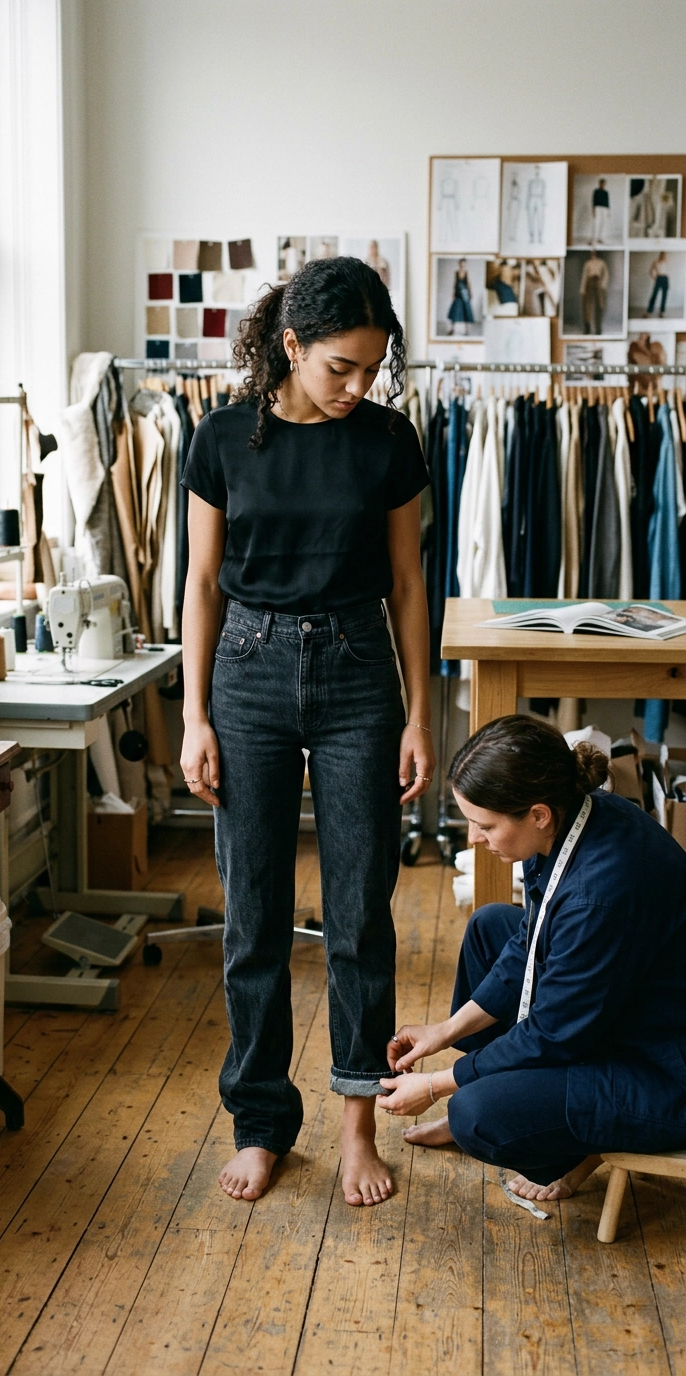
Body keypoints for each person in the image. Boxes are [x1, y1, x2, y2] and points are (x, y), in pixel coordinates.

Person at [180, 256, 435, 1207]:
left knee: (362, 912)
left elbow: (410, 587)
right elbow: (202, 585)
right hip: (245, 674)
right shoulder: (218, 439)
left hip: (360, 674)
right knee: (253, 915)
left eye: (371, 368)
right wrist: (194, 714)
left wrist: (420, 714)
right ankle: (261, 1122)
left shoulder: (387, 442)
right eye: (340, 367)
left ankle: (359, 1124)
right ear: (290, 346)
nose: (357, 386)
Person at [376, 714, 686, 1204]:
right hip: (621, 1013)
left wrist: (438, 1085)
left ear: (537, 813)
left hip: (663, 1071)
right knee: (489, 928)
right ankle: (529, 1105)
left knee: (476, 1114)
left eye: (485, 825)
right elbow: (528, 941)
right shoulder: (573, 817)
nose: (475, 839)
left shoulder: (599, 895)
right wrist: (446, 1031)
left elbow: (552, 1034)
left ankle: (575, 1149)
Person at [579, 249, 609, 334]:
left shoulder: (601, 263)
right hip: (589, 283)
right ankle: (587, 329)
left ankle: (598, 328)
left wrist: (603, 285)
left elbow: (606, 274)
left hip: (598, 283)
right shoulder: (588, 263)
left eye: (594, 252)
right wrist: (582, 288)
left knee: (600, 305)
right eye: (592, 253)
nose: (593, 254)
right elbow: (584, 276)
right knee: (587, 306)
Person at [447, 258, 475, 333]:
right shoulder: (456, 273)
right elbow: (454, 283)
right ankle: (452, 329)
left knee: (466, 311)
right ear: (459, 264)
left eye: (463, 263)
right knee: (455, 311)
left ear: (465, 264)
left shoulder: (467, 273)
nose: (462, 265)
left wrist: (471, 293)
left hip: (465, 295)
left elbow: (469, 284)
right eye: (461, 263)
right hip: (458, 294)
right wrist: (453, 293)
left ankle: (466, 330)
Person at [647, 252, 669, 317]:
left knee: (664, 296)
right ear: (660, 255)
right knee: (654, 294)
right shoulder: (656, 261)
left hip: (665, 278)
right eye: (663, 255)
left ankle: (662, 312)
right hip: (659, 278)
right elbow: (651, 270)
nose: (664, 256)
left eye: (665, 255)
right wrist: (653, 277)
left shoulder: (666, 262)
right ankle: (649, 311)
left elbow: (667, 271)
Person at [591, 178, 610, 245]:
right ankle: (594, 238)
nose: (602, 185)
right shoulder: (596, 191)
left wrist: (608, 211)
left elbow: (608, 202)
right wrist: (593, 210)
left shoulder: (606, 192)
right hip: (597, 208)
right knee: (596, 223)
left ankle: (601, 238)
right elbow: (593, 201)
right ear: (599, 184)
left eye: (603, 184)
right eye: (601, 183)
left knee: (603, 223)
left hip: (605, 208)